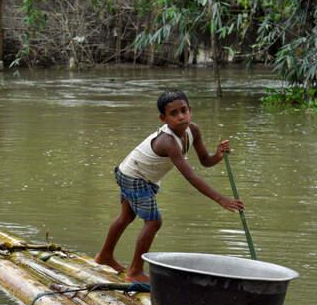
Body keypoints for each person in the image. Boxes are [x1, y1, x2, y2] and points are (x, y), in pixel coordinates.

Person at [96, 90, 244, 283]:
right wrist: (220, 198)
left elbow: (205, 161)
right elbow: (190, 176)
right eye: (173, 114)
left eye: (184, 111)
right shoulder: (167, 141)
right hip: (134, 176)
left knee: (127, 216)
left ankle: (104, 257)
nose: (181, 116)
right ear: (163, 119)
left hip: (138, 174)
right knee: (154, 222)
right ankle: (135, 271)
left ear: (190, 110)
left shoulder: (194, 130)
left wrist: (218, 155)